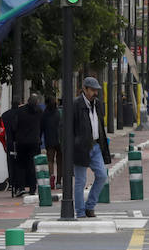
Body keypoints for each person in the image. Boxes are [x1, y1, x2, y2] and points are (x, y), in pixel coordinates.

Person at [71, 76, 111, 218]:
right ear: (84, 89)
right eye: (92, 90)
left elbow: (99, 124)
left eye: (96, 90)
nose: (95, 93)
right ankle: (80, 211)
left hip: (95, 146)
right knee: (81, 181)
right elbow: (66, 129)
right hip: (80, 148)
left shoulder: (98, 104)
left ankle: (90, 206)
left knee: (102, 175)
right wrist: (72, 145)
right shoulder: (75, 105)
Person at [12, 94, 44, 196]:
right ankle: (32, 188)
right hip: (34, 142)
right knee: (32, 165)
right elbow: (42, 126)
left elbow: (14, 126)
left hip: (21, 142)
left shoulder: (20, 111)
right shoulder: (39, 111)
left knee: (21, 165)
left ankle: (21, 187)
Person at [42, 96, 62, 190]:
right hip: (60, 140)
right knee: (60, 161)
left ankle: (51, 177)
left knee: (50, 160)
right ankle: (59, 181)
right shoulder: (59, 113)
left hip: (49, 140)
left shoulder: (44, 114)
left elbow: (41, 127)